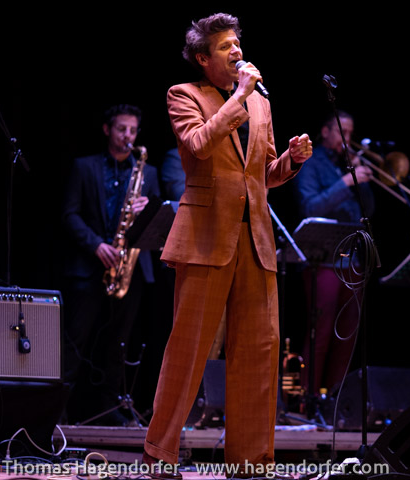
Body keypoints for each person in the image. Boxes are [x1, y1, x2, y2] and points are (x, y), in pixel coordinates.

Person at [142, 13, 312, 478]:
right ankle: (159, 455)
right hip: (204, 238)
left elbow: (263, 175)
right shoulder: (184, 95)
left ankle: (251, 463)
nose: (237, 51)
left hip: (255, 241)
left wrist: (291, 160)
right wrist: (239, 97)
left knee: (259, 351)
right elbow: (198, 144)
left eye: (237, 43)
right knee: (188, 351)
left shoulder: (260, 104)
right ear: (203, 58)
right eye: (225, 46)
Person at [61, 104, 160, 426]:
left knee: (119, 342)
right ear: (107, 130)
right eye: (121, 129)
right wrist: (96, 245)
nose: (128, 136)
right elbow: (69, 214)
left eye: (133, 130)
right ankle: (58, 409)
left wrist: (148, 208)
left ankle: (109, 407)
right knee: (74, 340)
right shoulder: (84, 167)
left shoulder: (148, 172)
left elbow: (159, 222)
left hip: (129, 269)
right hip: (89, 266)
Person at [292, 111, 375, 396]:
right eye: (342, 131)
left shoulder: (347, 163)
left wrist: (361, 180)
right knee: (322, 330)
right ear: (326, 131)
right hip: (323, 260)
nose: (347, 138)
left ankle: (335, 400)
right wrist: (345, 183)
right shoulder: (312, 162)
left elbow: (368, 211)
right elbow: (310, 207)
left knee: (348, 334)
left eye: (350, 133)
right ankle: (308, 398)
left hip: (352, 258)